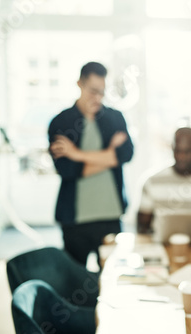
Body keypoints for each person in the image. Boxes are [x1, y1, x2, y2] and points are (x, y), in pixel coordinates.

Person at [48, 62, 134, 266]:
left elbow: (126, 154)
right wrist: (109, 157)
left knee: (114, 276)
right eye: (93, 91)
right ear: (80, 84)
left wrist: (76, 154)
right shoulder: (60, 123)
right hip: (75, 220)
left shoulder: (114, 118)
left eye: (102, 92)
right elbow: (67, 170)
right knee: (74, 281)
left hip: (111, 216)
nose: (98, 98)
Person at [137, 127, 191, 241]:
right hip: (162, 251)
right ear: (172, 148)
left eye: (187, 152)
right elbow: (142, 228)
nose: (181, 157)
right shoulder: (152, 181)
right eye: (177, 151)